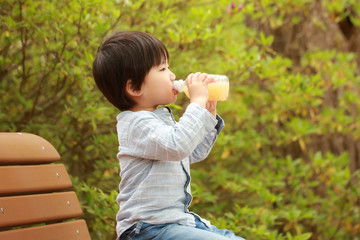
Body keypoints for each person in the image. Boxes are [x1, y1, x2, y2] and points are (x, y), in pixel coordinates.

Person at [92, 30, 245, 240]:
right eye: (163, 68)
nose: (172, 75)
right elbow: (178, 145)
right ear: (134, 87)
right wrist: (197, 104)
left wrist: (208, 112)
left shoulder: (158, 119)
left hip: (176, 223)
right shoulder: (135, 124)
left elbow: (190, 152)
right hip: (145, 230)